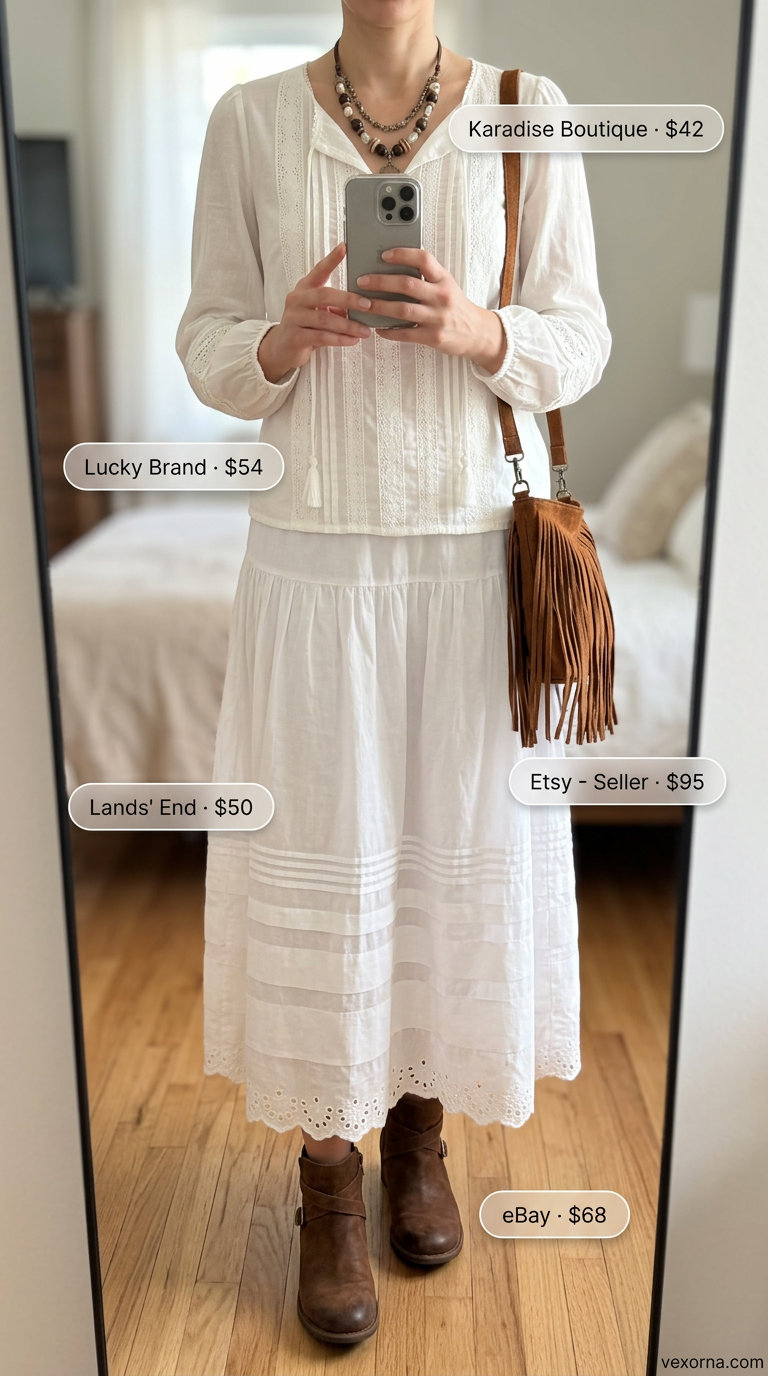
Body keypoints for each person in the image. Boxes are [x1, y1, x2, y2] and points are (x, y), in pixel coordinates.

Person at [176, 0, 611, 1347]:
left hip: (472, 566)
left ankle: (419, 1135)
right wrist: (280, 341)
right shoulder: (247, 120)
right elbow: (202, 343)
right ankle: (327, 1181)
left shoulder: (534, 109)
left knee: (441, 863)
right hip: (314, 574)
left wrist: (480, 329)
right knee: (328, 854)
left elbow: (579, 335)